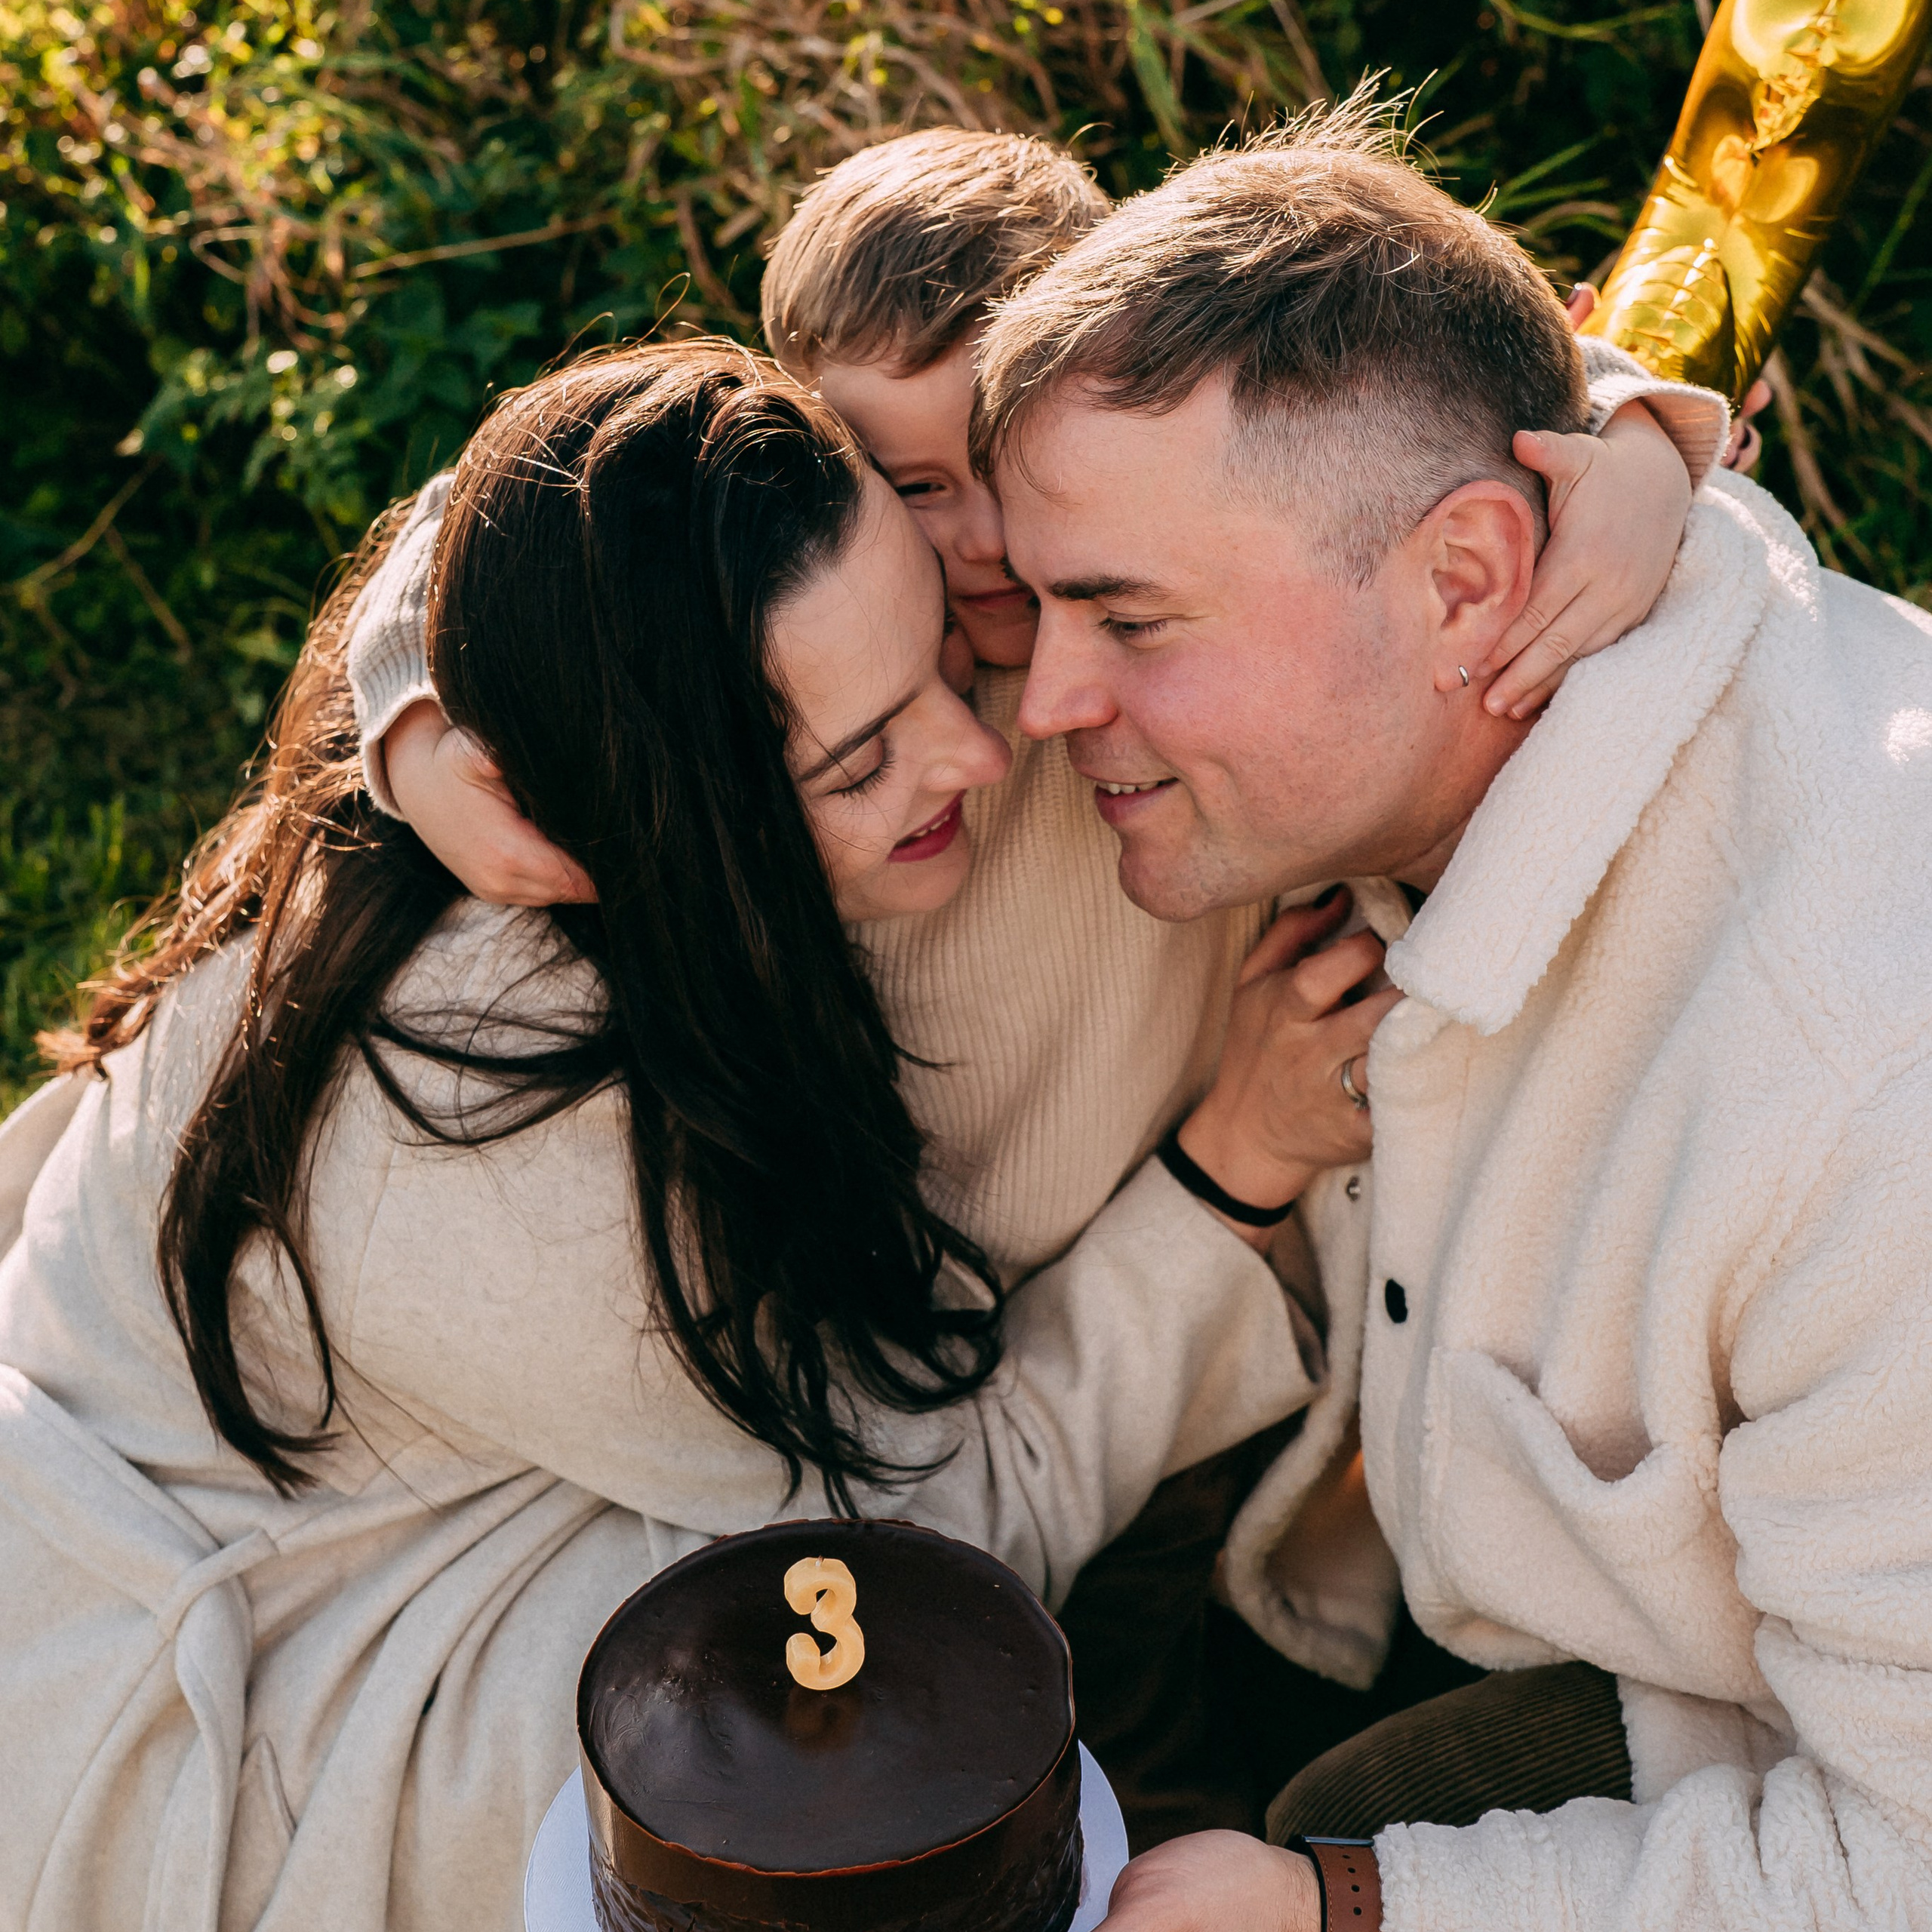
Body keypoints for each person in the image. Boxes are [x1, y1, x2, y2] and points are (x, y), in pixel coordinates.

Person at [354, 127, 1731, 1844]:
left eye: (1001, 455)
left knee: (1172, 1724)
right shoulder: (818, 661)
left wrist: (1643, 436)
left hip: (1198, 1349)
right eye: (908, 483)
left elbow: (1389, 409)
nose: (989, 540)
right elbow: (567, 514)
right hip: (933, 1334)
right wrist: (407, 693)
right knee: (1032, 1764)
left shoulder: (1161, 598)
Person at [0, 342, 1358, 1932]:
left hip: (347, 1462)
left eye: (938, 656)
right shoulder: (501, 1102)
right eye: (861, 759)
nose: (977, 751)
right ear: (674, 809)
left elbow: (565, 489)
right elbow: (910, 1550)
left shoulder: (565, 678)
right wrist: (1227, 1171)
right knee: (742, 1736)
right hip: (235, 1688)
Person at [964, 103, 1932, 1932]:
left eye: (1124, 615)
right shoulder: (1528, 571)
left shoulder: (1859, 1098)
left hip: (1813, 1760)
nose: (1040, 699)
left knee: (1348, 1802)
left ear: (1471, 579)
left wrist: (1350, 1902)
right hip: (1467, 1570)